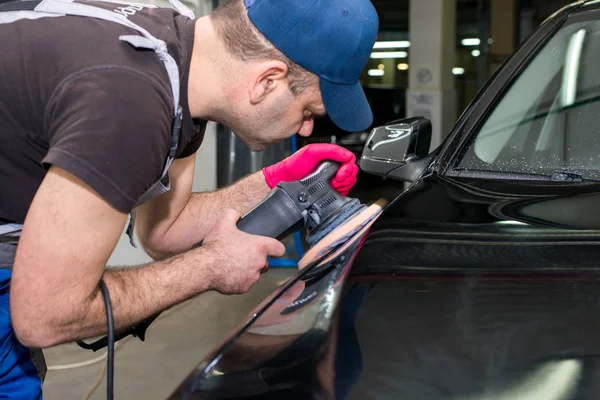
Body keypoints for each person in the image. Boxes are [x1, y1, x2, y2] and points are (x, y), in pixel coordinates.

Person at [0, 0, 379, 396]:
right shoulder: (130, 102)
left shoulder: (180, 62)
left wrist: (272, 181)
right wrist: (210, 266)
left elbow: (164, 231)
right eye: (308, 111)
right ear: (268, 81)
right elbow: (45, 315)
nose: (304, 130)